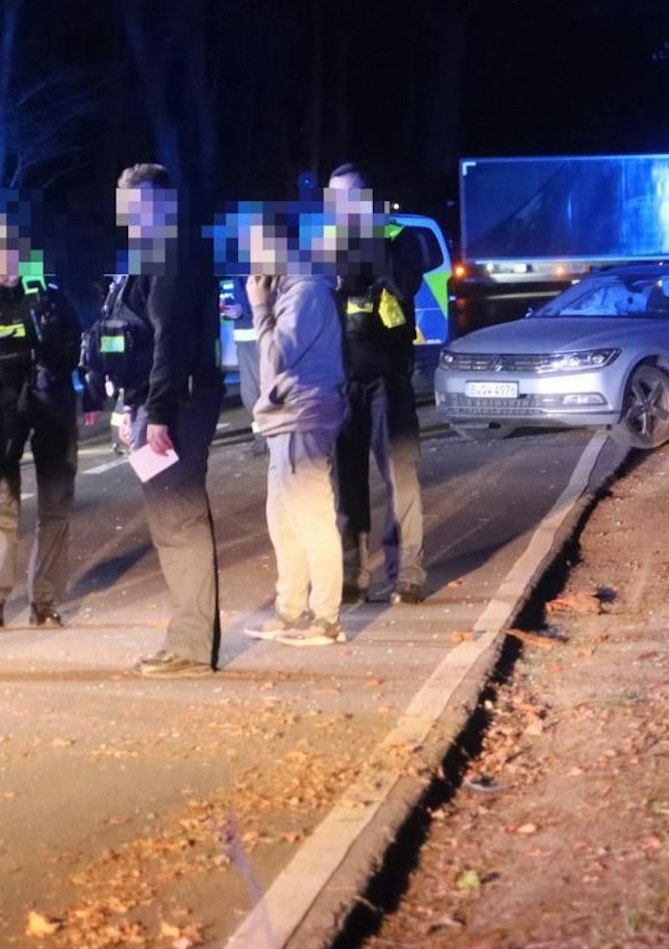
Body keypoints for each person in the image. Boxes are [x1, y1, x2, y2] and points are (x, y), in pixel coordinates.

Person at [96, 163, 223, 677]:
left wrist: (160, 413)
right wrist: (133, 405)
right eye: (124, 205)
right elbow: (137, 339)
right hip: (156, 405)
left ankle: (192, 647)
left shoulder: (171, 255)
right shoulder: (149, 256)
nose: (129, 215)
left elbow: (171, 341)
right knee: (170, 521)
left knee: (180, 520)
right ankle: (186, 639)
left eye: (139, 205)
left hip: (178, 406)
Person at [0, 205, 102, 632]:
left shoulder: (51, 295)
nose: (6, 267)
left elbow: (81, 349)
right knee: (0, 507)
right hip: (2, 414)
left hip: (52, 406)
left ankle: (46, 601)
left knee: (56, 505)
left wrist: (88, 390)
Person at [243, 208, 349, 645]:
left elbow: (276, 356)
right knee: (283, 524)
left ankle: (326, 619)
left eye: (256, 249)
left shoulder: (304, 293)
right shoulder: (294, 289)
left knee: (312, 520)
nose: (251, 260)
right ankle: (290, 610)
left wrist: (260, 309)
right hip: (284, 420)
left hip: (303, 416)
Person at [329, 163, 427, 604]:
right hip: (340, 380)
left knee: (399, 475)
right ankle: (352, 574)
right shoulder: (327, 246)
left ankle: (407, 573)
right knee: (345, 483)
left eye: (347, 199)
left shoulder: (399, 240)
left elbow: (402, 285)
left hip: (388, 375)